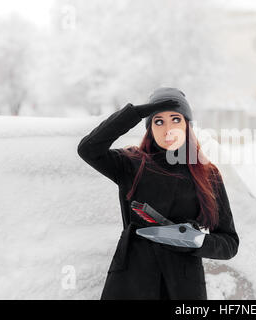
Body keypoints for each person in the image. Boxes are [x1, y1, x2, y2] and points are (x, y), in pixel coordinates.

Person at [77, 87, 239, 300]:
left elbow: (229, 243)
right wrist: (134, 114)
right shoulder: (131, 163)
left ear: (187, 125)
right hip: (130, 283)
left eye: (175, 119)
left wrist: (196, 240)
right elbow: (88, 149)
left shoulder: (207, 174)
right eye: (158, 121)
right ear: (150, 128)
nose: (168, 129)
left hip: (182, 287)